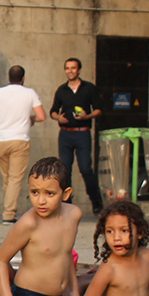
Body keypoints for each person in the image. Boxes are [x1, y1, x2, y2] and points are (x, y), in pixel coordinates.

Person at [0, 157, 82, 296]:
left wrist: (74, 290)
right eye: (34, 192)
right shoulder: (28, 224)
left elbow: (65, 254)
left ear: (65, 194)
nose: (41, 200)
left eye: (49, 194)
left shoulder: (74, 215)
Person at [0, 64, 46, 224]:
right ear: (23, 78)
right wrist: (30, 119)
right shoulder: (29, 93)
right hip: (19, 140)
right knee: (15, 179)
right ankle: (8, 215)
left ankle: (8, 209)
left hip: (0, 141)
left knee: (7, 179)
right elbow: (41, 116)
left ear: (8, 78)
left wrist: (1, 119)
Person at [48, 57, 103, 212]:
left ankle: (95, 202)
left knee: (86, 168)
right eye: (67, 68)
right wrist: (58, 117)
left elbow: (98, 110)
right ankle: (67, 204)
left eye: (73, 68)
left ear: (79, 70)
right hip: (65, 134)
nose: (70, 71)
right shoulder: (61, 90)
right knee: (65, 170)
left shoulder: (89, 88)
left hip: (82, 133)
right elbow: (53, 111)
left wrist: (87, 117)